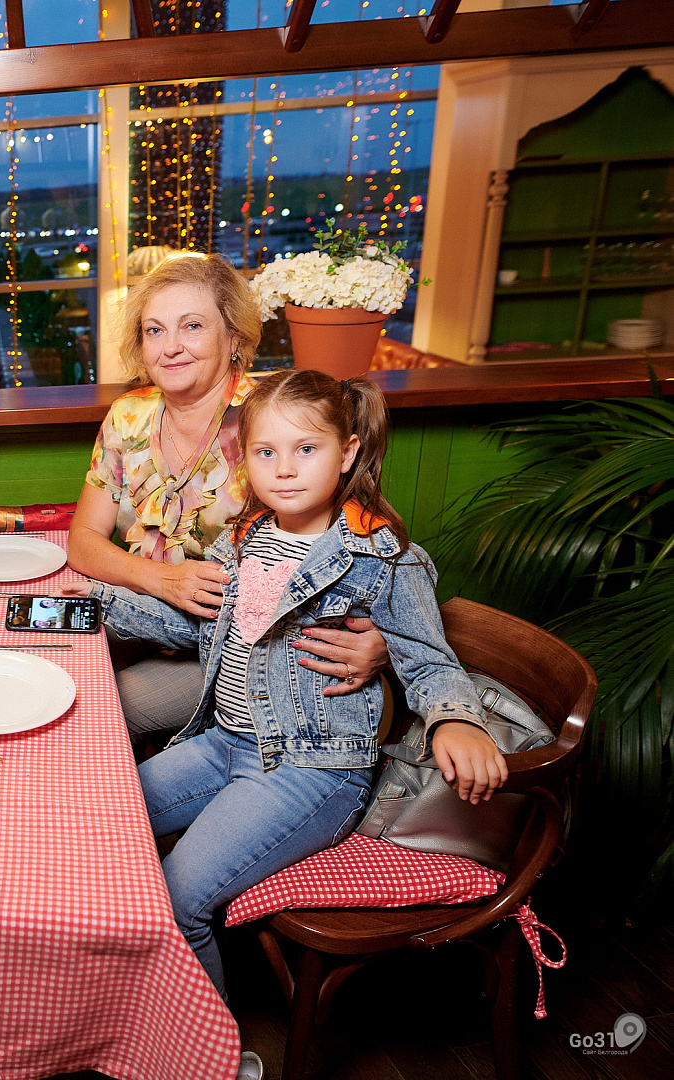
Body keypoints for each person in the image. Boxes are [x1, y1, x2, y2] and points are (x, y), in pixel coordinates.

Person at [73, 369, 507, 1006]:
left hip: (310, 771)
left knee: (176, 898)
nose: (284, 469)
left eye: (306, 449)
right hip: (223, 743)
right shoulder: (247, 538)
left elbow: (428, 659)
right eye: (265, 451)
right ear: (243, 459)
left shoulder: (380, 556)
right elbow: (197, 622)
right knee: (96, 823)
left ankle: (212, 1049)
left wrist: (456, 719)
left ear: (348, 452)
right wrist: (89, 604)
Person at [65, 253, 389, 738]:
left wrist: (383, 639)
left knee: (94, 710)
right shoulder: (128, 415)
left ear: (235, 337)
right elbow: (83, 540)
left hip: (232, 648)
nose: (170, 347)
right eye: (154, 330)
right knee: (45, 659)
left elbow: (359, 551)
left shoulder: (273, 418)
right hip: (138, 609)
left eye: (192, 326)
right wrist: (162, 580)